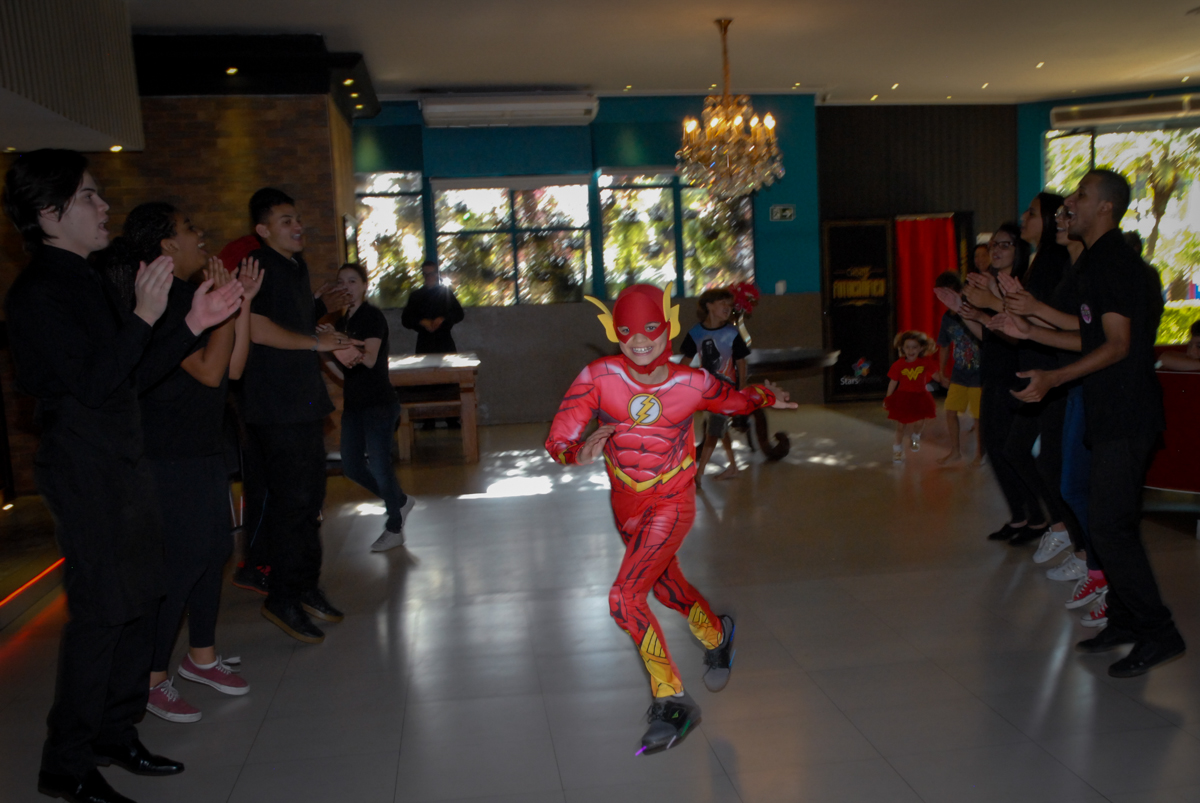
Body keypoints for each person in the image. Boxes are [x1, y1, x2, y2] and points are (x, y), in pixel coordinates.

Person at [3, 150, 242, 803]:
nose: (104, 205)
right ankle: (67, 763)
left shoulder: (84, 278)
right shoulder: (38, 293)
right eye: (88, 196)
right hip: (84, 468)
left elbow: (132, 377)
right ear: (49, 213)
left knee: (142, 601)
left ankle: (115, 732)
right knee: (102, 615)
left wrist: (192, 322)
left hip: (124, 461)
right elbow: (93, 383)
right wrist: (144, 315)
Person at [546, 284, 796, 755]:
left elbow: (735, 401)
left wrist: (764, 395)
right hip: (626, 505)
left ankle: (672, 700)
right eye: (627, 331)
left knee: (625, 597)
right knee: (664, 588)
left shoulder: (692, 382)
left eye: (650, 329)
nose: (640, 340)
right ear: (614, 332)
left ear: (668, 328)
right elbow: (558, 440)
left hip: (672, 501)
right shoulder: (597, 377)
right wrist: (577, 453)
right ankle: (717, 634)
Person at [999, 169, 1185, 677]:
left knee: (1109, 525)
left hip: (1127, 413)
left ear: (1105, 207)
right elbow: (1086, 334)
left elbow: (1118, 346)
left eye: (1080, 195)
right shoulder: (1096, 262)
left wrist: (1055, 378)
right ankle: (1124, 619)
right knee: (1102, 521)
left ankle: (1159, 631)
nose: (1070, 204)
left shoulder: (1117, 263)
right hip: (1108, 412)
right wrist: (1029, 323)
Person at [95, 203, 262, 723]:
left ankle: (201, 658)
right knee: (182, 563)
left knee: (214, 552)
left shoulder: (194, 295)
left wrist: (240, 303)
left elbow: (235, 367)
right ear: (167, 245)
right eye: (190, 228)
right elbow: (210, 371)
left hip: (203, 445)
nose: (201, 233)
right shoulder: (161, 303)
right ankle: (150, 678)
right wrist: (221, 309)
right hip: (166, 453)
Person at [243, 187, 360, 644]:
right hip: (276, 405)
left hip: (303, 401)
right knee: (291, 505)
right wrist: (317, 342)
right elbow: (257, 328)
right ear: (262, 229)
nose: (297, 226)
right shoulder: (257, 266)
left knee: (311, 502)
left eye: (297, 218)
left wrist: (318, 308)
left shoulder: (295, 266)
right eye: (285, 220)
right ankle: (282, 595)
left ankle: (305, 585)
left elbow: (291, 321)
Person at [322, 263, 415, 552]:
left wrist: (338, 342)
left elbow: (370, 359)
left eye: (353, 281)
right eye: (341, 281)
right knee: (351, 466)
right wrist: (326, 352)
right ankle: (399, 500)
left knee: (378, 464)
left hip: (380, 404)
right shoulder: (340, 323)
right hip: (354, 406)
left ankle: (395, 527)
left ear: (364, 286)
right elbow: (341, 370)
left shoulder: (372, 317)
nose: (347, 286)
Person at [960, 224, 1042, 543]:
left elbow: (1019, 334)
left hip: (1015, 374)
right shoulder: (992, 287)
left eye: (1004, 244)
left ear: (1019, 249)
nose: (996, 250)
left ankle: (1038, 518)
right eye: (993, 244)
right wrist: (965, 312)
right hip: (993, 374)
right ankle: (1019, 516)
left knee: (1013, 450)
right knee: (994, 449)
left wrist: (991, 301)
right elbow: (989, 334)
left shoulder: (1023, 287)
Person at [679, 287, 750, 484]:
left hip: (726, 392)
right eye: (722, 303)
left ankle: (698, 475)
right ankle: (733, 466)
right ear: (709, 306)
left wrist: (741, 389)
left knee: (712, 432)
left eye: (729, 304)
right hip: (707, 390)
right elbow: (686, 360)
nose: (727, 307)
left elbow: (741, 362)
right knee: (719, 428)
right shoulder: (696, 333)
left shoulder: (732, 333)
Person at [932, 272, 982, 465]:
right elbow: (944, 345)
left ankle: (980, 453)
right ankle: (955, 451)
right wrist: (942, 371)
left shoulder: (972, 311)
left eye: (948, 293)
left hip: (978, 373)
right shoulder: (947, 318)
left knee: (978, 416)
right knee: (951, 411)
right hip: (959, 373)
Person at [883, 330, 938, 462]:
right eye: (907, 347)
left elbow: (936, 375)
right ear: (902, 348)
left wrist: (946, 380)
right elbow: (893, 381)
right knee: (901, 426)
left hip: (920, 397)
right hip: (903, 398)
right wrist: (888, 397)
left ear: (921, 348)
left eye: (914, 347)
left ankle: (916, 436)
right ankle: (897, 449)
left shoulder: (925, 362)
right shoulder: (898, 365)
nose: (910, 350)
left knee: (920, 421)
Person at [401, 261, 464, 354]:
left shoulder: (446, 293)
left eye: (431, 274)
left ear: (437, 274)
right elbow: (406, 319)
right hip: (424, 344)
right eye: (425, 274)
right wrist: (421, 321)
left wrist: (443, 319)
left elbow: (459, 314)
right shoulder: (416, 296)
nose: (428, 277)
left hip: (445, 343)